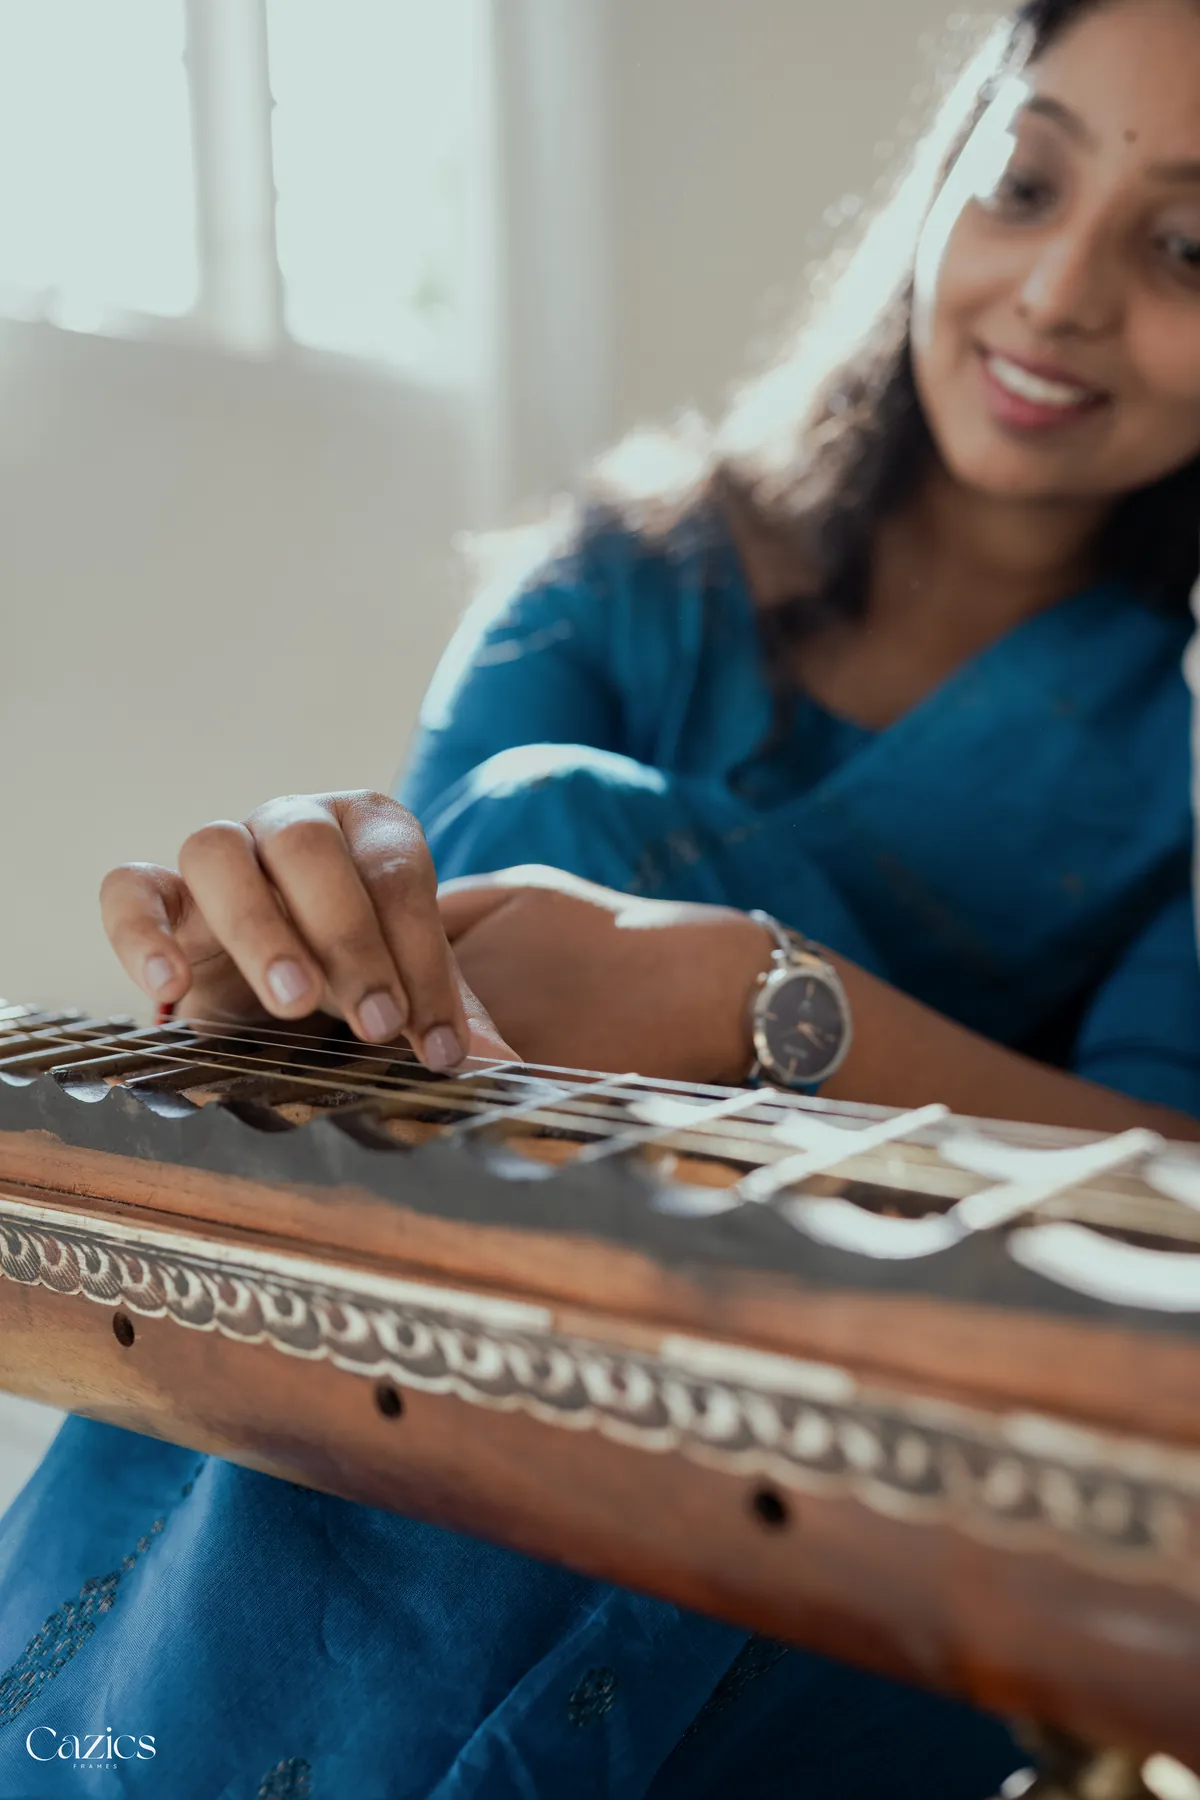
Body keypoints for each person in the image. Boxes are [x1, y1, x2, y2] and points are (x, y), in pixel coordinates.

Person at [4, 0, 1200, 1794]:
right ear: (944, 182)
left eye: (1188, 248)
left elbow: (1170, 1204)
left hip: (880, 1520)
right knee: (540, 824)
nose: (1058, 292)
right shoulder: (624, 583)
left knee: (581, 833)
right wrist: (300, 968)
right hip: (438, 1389)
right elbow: (441, 1001)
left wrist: (754, 1006)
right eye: (1026, 183)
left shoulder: (1178, 738)